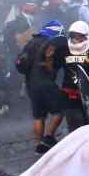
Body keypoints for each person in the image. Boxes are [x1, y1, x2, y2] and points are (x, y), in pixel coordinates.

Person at [16, 20, 66, 153]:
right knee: (59, 110)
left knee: (39, 116)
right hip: (46, 83)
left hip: (31, 85)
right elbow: (52, 68)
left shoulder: (30, 43)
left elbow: (23, 65)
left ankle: (39, 146)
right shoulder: (51, 44)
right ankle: (48, 138)